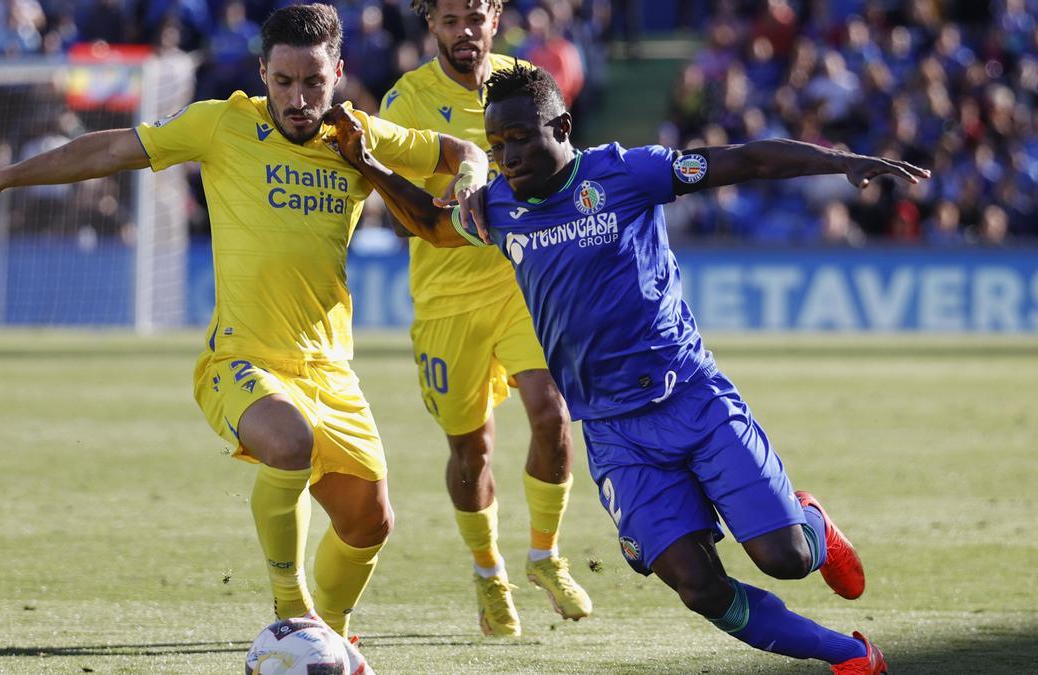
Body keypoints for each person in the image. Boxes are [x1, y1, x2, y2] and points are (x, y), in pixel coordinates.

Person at [321, 64, 929, 673]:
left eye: (520, 140)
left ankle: (813, 527)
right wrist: (368, 164)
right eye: (496, 144)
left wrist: (841, 161)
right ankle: (849, 656)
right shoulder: (497, 206)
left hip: (692, 397)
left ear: (561, 126)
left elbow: (744, 161)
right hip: (615, 434)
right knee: (699, 587)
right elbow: (428, 223)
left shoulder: (626, 173)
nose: (506, 157)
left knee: (787, 558)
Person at [0, 3, 489, 643]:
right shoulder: (222, 124)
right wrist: (6, 177)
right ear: (262, 73)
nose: (299, 97)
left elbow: (462, 152)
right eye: (283, 81)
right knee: (287, 443)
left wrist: (472, 183)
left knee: (371, 524)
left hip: (330, 369)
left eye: (313, 82)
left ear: (338, 73)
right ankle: (293, 607)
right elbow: (114, 148)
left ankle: (326, 638)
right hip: (241, 361)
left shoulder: (359, 137)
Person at [377, 0, 589, 636]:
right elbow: (398, 210)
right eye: (448, 21)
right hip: (446, 304)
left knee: (552, 414)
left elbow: (565, 169)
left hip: (522, 287)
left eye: (473, 17)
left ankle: (546, 556)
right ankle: (488, 572)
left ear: (494, 17)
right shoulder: (407, 100)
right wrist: (455, 202)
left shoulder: (525, 85)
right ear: (431, 26)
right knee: (472, 451)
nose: (462, 32)